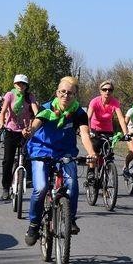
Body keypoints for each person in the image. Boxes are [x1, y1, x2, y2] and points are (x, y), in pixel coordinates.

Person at [22, 76, 98, 244]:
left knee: (72, 185)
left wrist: (91, 152)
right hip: (42, 150)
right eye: (62, 92)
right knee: (41, 188)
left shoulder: (79, 113)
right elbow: (36, 124)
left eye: (70, 93)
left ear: (75, 95)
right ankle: (34, 224)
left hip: (65, 152)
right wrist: (29, 131)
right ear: (57, 93)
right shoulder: (47, 108)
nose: (66, 95)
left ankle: (70, 219)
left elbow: (84, 134)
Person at [0, 74, 39, 200]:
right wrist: (1, 123)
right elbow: (3, 111)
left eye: (23, 84)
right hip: (11, 130)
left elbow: (36, 111)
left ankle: (25, 178)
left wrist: (39, 119)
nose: (20, 86)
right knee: (7, 160)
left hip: (25, 131)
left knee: (28, 156)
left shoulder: (30, 96)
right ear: (14, 84)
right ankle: (6, 187)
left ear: (26, 86)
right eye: (18, 83)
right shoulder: (10, 95)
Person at [86, 79, 129, 184]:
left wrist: (126, 133)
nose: (107, 92)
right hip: (95, 130)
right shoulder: (95, 101)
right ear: (100, 91)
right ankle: (91, 171)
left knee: (108, 155)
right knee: (95, 151)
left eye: (110, 90)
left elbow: (120, 118)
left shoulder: (115, 102)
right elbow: (88, 117)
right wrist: (87, 131)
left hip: (108, 131)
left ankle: (104, 176)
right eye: (104, 89)